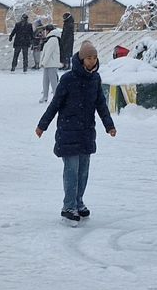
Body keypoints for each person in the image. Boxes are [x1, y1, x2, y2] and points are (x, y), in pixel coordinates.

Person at [35, 40, 116, 222]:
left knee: (83, 171)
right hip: (69, 131)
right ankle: (68, 206)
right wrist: (43, 125)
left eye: (94, 57)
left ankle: (79, 202)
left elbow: (101, 104)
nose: (92, 61)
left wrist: (109, 125)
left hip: (87, 132)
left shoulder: (95, 79)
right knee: (71, 170)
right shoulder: (68, 79)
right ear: (81, 59)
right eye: (89, 57)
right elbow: (55, 104)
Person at [38, 25, 63, 102]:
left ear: (48, 31)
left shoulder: (52, 39)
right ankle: (45, 96)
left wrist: (43, 62)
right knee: (46, 81)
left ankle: (56, 97)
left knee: (53, 81)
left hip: (51, 63)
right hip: (49, 63)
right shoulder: (50, 39)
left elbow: (48, 52)